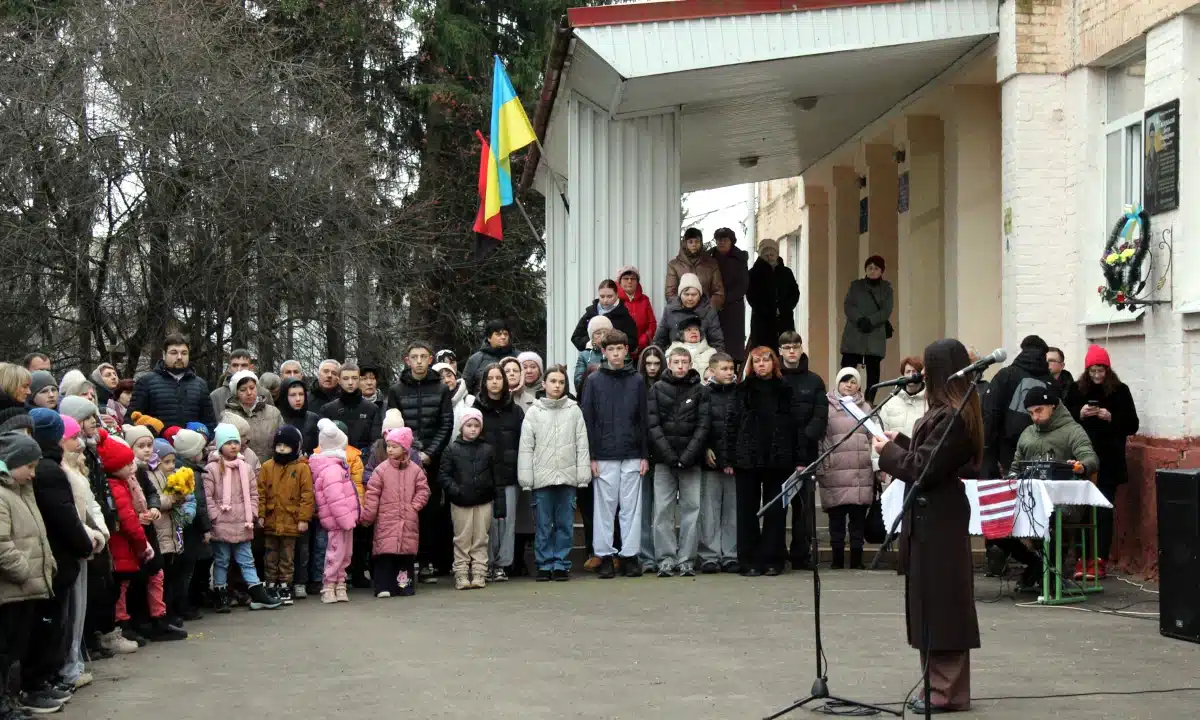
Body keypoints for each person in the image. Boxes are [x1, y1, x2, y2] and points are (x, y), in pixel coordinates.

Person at [874, 338, 982, 715]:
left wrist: (888, 454)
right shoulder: (944, 412)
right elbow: (926, 454)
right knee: (929, 603)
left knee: (943, 605)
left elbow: (924, 468)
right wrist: (899, 441)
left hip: (940, 519)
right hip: (928, 518)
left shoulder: (955, 416)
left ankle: (947, 691)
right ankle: (935, 684)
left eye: (925, 370)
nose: (919, 376)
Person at [27, 410, 96, 702]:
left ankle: (48, 676)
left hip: (59, 554)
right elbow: (64, 514)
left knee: (59, 621)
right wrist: (85, 543)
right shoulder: (50, 471)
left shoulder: (49, 467)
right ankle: (40, 681)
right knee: (52, 623)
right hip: (59, 556)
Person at [724, 347, 803, 577]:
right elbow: (731, 424)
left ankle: (773, 558)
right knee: (746, 510)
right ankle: (748, 559)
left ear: (773, 363)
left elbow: (796, 426)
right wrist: (728, 458)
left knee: (776, 510)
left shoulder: (785, 390)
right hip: (747, 459)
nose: (761, 365)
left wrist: (799, 458)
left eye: (765, 360)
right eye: (756, 361)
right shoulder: (742, 390)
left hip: (778, 459)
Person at [1066, 345, 1139, 581]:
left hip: (1109, 461)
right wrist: (1080, 413)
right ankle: (1081, 558)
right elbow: (1064, 417)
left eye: (1101, 371)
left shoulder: (1120, 391)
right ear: (1087, 371)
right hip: (1081, 460)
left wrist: (1111, 417)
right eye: (1093, 371)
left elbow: (1132, 424)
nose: (1097, 376)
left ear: (1108, 371)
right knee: (1081, 510)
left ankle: (1099, 559)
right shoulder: (1076, 390)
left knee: (1103, 510)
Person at [581, 330, 650, 579]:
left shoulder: (637, 381)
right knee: (605, 508)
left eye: (620, 349)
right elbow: (587, 419)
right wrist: (590, 456)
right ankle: (605, 556)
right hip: (604, 454)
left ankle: (630, 555)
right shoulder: (594, 381)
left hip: (632, 453)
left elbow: (644, 419)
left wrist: (644, 455)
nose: (616, 354)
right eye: (611, 349)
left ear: (626, 350)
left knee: (631, 508)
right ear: (604, 352)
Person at [0, 432, 59, 715]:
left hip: (26, 587)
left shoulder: (22, 491)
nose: (34, 474)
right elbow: (2, 544)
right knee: (4, 651)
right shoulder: (2, 495)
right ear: (13, 462)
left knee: (15, 649)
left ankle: (9, 700)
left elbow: (36, 534)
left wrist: (47, 563)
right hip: (11, 589)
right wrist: (24, 571)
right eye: (30, 467)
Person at [386, 342, 453, 583]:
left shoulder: (441, 390)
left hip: (432, 461)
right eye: (414, 357)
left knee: (430, 511)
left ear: (430, 359)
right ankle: (405, 561)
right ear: (407, 360)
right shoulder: (396, 390)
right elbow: (392, 425)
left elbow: (446, 424)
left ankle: (427, 562)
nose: (419, 361)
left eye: (423, 357)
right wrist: (410, 453)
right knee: (404, 510)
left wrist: (430, 454)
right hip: (404, 460)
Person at [518, 365, 590, 582]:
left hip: (567, 477)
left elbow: (582, 444)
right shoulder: (534, 411)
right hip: (542, 478)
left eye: (561, 382)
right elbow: (526, 447)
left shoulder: (574, 410)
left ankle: (560, 563)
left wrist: (582, 475)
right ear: (544, 384)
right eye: (553, 381)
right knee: (543, 524)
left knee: (565, 523)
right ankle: (543, 563)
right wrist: (527, 478)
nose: (557, 386)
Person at [202, 423, 281, 612]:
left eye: (235, 442)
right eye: (228, 442)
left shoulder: (245, 467)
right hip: (221, 523)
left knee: (247, 559)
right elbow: (208, 497)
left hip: (243, 523)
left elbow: (254, 494)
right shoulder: (212, 469)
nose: (233, 446)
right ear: (220, 445)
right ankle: (221, 594)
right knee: (222, 560)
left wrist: (252, 513)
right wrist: (215, 517)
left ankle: (257, 593)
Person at [647, 347, 710, 577]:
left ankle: (686, 559)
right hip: (664, 462)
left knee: (691, 510)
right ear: (669, 364)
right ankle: (665, 559)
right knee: (663, 510)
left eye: (684, 361)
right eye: (676, 361)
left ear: (690, 363)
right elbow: (653, 425)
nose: (681, 366)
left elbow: (703, 426)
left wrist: (687, 456)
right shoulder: (657, 389)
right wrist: (670, 456)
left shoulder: (700, 391)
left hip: (691, 461)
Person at [777, 332, 828, 570]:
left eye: (795, 347)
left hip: (807, 454)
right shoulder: (774, 379)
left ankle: (801, 553)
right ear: (780, 351)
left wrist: (805, 441)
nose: (791, 352)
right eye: (786, 347)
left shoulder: (814, 381)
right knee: (777, 506)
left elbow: (820, 418)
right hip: (778, 454)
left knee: (804, 508)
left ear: (801, 348)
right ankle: (777, 551)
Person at [361, 427, 430, 598]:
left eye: (394, 446)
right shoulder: (381, 470)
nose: (390, 449)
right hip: (386, 521)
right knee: (385, 556)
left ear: (405, 448)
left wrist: (414, 506)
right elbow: (372, 493)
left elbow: (424, 490)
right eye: (388, 446)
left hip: (408, 521)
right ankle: (383, 586)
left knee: (405, 558)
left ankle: (403, 586)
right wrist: (368, 515)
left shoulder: (415, 470)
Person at [817, 369, 875, 570]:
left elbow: (873, 437)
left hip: (861, 472)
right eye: (844, 381)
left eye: (853, 382)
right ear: (837, 383)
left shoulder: (866, 408)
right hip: (835, 471)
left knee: (858, 521)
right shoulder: (826, 406)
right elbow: (822, 439)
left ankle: (857, 560)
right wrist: (822, 466)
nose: (848, 385)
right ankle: (837, 560)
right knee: (837, 522)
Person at [472, 365, 525, 582]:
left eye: (498, 378)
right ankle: (487, 563)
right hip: (485, 474)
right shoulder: (476, 408)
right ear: (484, 382)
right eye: (490, 378)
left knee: (508, 521)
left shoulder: (515, 410)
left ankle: (503, 564)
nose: (495, 382)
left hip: (510, 473)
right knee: (488, 522)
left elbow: (523, 442)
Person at [256, 426, 314, 606]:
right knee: (270, 555)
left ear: (295, 448)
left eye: (286, 446)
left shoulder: (302, 468)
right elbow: (261, 492)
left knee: (287, 556)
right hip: (272, 519)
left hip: (291, 520)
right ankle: (271, 584)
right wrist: (261, 514)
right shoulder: (267, 467)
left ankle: (285, 585)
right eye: (279, 445)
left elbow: (307, 495)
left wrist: (304, 519)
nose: (282, 449)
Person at [441, 409, 498, 590]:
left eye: (476, 426)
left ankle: (480, 572)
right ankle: (461, 572)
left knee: (481, 537)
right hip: (461, 502)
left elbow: (496, 476)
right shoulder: (452, 449)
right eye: (469, 425)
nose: (473, 429)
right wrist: (455, 491)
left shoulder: (488, 449)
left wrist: (491, 492)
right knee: (462, 538)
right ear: (462, 427)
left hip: (483, 501)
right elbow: (444, 475)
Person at [981, 334, 1053, 477]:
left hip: (1005, 451)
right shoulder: (1051, 382)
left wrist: (988, 451)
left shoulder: (1006, 374)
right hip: (1041, 453)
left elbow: (990, 413)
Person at [309, 420, 359, 604]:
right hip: (339, 522)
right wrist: (347, 519)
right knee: (335, 553)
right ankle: (329, 585)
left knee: (345, 554)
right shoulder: (331, 469)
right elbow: (335, 498)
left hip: (345, 520)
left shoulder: (338, 465)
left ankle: (340, 583)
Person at [698, 353, 739, 574]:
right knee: (710, 511)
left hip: (734, 462)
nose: (730, 372)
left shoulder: (739, 394)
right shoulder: (703, 394)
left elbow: (742, 428)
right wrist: (704, 448)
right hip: (710, 462)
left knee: (732, 511)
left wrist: (733, 457)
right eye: (724, 368)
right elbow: (701, 425)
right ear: (712, 371)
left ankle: (730, 554)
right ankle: (709, 556)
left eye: (731, 368)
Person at [127, 333, 217, 431]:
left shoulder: (200, 385)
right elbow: (131, 419)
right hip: (156, 444)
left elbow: (210, 424)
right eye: (174, 353)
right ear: (164, 354)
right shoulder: (146, 382)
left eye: (184, 353)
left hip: (194, 443)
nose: (179, 357)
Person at [839, 256, 893, 404]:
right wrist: (859, 319)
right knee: (847, 368)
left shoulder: (886, 288)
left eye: (876, 268)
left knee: (873, 372)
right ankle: (846, 399)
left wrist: (871, 321)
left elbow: (887, 310)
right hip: (854, 334)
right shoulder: (856, 286)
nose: (872, 271)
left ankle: (869, 402)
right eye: (870, 268)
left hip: (874, 335)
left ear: (881, 271)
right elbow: (848, 305)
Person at [169, 428, 210, 618]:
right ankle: (182, 605)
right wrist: (206, 528)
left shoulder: (175, 469)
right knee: (185, 570)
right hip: (190, 529)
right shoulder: (191, 474)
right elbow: (200, 504)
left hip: (178, 528)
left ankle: (178, 605)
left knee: (178, 570)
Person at [747, 238, 800, 352]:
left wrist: (784, 308)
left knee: (786, 351)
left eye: (772, 254)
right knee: (764, 353)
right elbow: (752, 297)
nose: (770, 257)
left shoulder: (786, 272)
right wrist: (769, 310)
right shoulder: (753, 274)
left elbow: (794, 293)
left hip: (784, 320)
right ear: (761, 256)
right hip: (762, 323)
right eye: (766, 254)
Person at [653, 272, 725, 351]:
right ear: (680, 295)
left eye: (694, 294)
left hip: (702, 359)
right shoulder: (670, 311)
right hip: (676, 359)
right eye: (686, 294)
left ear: (699, 295)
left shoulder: (709, 312)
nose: (690, 298)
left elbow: (717, 343)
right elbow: (659, 341)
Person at [709, 228, 750, 364]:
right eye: (719, 240)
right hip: (713, 306)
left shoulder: (740, 258)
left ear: (731, 242)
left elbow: (743, 285)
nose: (721, 243)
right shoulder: (709, 258)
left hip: (733, 307)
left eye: (725, 240)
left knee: (732, 348)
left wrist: (725, 298)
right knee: (714, 344)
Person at [223, 371, 283, 462]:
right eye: (243, 390)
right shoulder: (228, 416)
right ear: (236, 393)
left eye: (252, 388)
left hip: (270, 468)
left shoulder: (274, 413)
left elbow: (284, 440)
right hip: (240, 469)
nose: (249, 393)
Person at [320, 362, 381, 452]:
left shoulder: (372, 409)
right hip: (336, 461)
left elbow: (375, 444)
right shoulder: (328, 409)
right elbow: (324, 443)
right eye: (345, 378)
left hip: (364, 461)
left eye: (354, 378)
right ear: (339, 380)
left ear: (359, 380)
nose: (350, 382)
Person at [571, 279, 642, 356]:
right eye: (602, 296)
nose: (605, 300)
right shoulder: (590, 312)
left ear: (617, 295)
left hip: (616, 362)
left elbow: (633, 342)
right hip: (592, 360)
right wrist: (591, 342)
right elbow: (576, 337)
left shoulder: (624, 314)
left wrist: (613, 342)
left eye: (609, 296)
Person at [665, 227, 725, 311]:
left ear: (701, 243)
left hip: (706, 314)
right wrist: (683, 310)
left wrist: (708, 309)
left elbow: (718, 292)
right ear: (685, 243)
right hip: (682, 314)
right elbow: (670, 293)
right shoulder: (674, 265)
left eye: (697, 241)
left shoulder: (711, 264)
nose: (694, 244)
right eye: (690, 242)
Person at [463, 320, 517, 395]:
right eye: (498, 334)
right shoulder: (476, 359)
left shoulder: (517, 356)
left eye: (506, 334)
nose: (503, 337)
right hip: (482, 403)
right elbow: (464, 388)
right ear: (489, 338)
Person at [879, 356, 927, 440]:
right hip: (894, 452)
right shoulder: (890, 402)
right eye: (908, 372)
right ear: (902, 375)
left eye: (914, 372)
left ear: (921, 376)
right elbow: (880, 434)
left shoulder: (930, 402)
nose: (911, 375)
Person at [616, 266, 657, 358]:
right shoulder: (615, 300)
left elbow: (652, 323)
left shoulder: (645, 300)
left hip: (642, 350)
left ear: (637, 282)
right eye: (626, 278)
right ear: (619, 281)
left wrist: (643, 340)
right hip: (620, 351)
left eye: (633, 279)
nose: (629, 281)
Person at [277, 378, 321, 455]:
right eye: (293, 395)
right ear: (285, 396)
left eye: (301, 394)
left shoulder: (313, 418)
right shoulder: (278, 417)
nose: (298, 399)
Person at [209, 349, 258, 417]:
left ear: (251, 368)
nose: (239, 370)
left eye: (244, 365)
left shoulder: (263, 394)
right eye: (235, 365)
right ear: (229, 368)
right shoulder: (216, 396)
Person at [434, 363, 474, 442]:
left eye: (449, 375)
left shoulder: (469, 400)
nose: (447, 380)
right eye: (441, 378)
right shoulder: (431, 405)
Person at [574, 316, 611, 396]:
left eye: (606, 332)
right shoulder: (584, 355)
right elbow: (578, 382)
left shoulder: (617, 352)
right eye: (598, 333)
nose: (602, 336)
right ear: (592, 337)